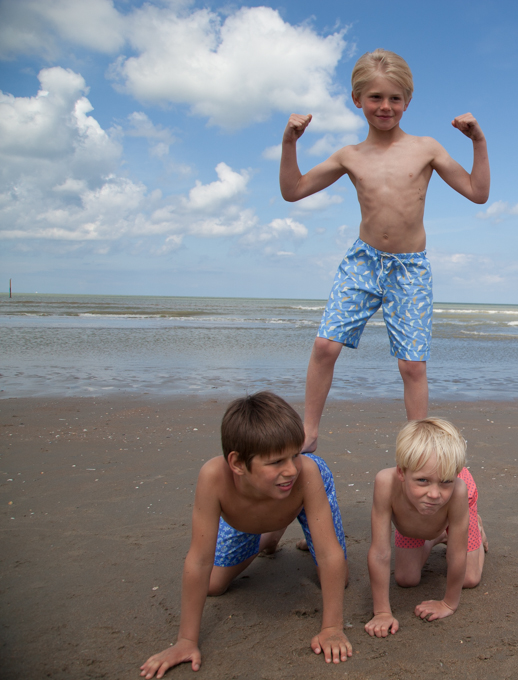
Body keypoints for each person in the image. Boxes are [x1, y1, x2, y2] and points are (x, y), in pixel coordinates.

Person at [280, 49, 490, 452]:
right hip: (363, 261)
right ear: (357, 99)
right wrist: (290, 143)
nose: (385, 106)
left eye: (395, 98)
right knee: (325, 345)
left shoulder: (426, 148)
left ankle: (420, 447)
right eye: (375, 97)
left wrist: (478, 141)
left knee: (411, 365)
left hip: (409, 268)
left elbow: (477, 193)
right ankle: (308, 430)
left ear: (407, 102)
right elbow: (293, 190)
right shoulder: (350, 156)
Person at [140, 392, 351, 679]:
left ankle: (292, 521)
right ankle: (269, 535)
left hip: (301, 498)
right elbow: (199, 560)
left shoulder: (307, 472)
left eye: (295, 454)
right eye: (276, 461)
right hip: (245, 516)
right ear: (237, 463)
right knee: (213, 585)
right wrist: (186, 641)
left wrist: (331, 628)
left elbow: (329, 554)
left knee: (339, 577)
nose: (291, 468)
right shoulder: (214, 478)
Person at [364, 418, 487, 637]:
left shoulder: (458, 489)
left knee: (469, 579)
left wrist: (449, 603)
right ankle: (437, 535)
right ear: (402, 473)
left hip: (454, 511)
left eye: (445, 482)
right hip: (415, 521)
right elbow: (380, 552)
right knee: (406, 578)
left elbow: (456, 554)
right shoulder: (386, 483)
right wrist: (382, 611)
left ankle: (473, 525)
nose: (433, 493)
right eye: (422, 481)